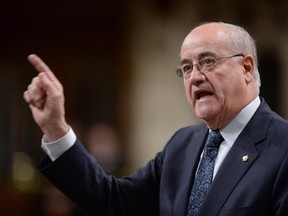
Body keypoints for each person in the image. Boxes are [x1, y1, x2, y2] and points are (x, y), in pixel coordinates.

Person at [23, 22, 288, 216]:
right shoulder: (182, 145)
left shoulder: (282, 147)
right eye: (186, 67)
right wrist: (56, 128)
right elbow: (113, 201)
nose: (194, 77)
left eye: (207, 62)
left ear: (246, 68)